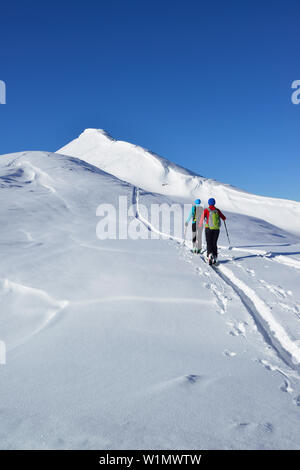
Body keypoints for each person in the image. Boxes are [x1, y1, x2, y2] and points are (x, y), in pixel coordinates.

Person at [199, 198, 226, 265]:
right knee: (214, 243)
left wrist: (200, 224)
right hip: (216, 229)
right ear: (214, 203)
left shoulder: (206, 210)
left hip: (208, 228)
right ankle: (215, 256)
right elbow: (224, 218)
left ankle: (209, 255)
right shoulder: (217, 210)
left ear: (208, 203)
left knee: (209, 243)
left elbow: (201, 218)